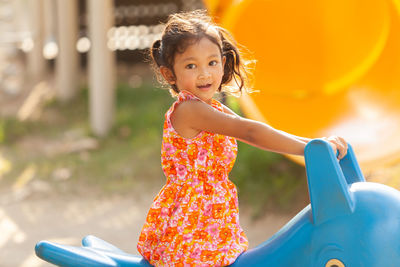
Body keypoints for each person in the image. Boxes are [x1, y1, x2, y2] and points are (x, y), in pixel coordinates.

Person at [137, 9, 348, 267]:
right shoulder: (189, 110)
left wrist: (313, 146)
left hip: (210, 218)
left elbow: (252, 130)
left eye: (212, 62)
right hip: (191, 225)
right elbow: (251, 132)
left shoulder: (210, 107)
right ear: (170, 74)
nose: (204, 74)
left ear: (223, 63)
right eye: (191, 65)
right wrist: (310, 147)